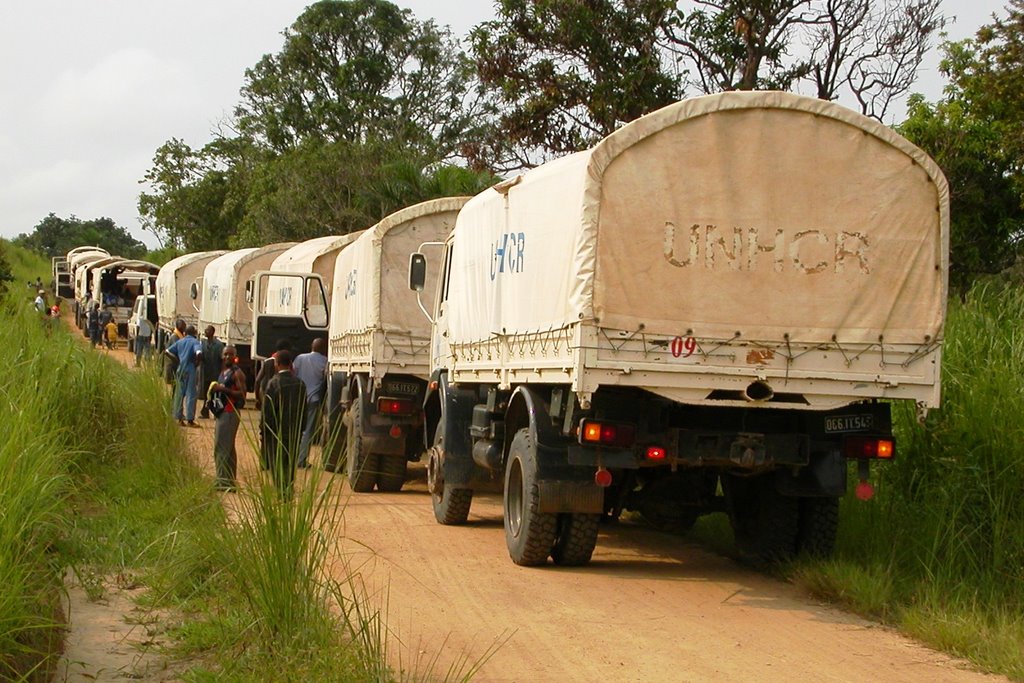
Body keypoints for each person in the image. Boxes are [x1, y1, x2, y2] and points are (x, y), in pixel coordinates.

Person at [261, 349, 306, 498]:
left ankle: (281, 491)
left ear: (277, 364)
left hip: (276, 432)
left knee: (277, 461)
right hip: (294, 431)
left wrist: (264, 430)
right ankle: (289, 488)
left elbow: (267, 410)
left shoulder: (273, 383)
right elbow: (304, 409)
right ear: (291, 364)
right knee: (290, 461)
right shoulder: (300, 384)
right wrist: (301, 429)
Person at [211, 345, 247, 491]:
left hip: (230, 413)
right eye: (225, 354)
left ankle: (222, 481)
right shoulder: (224, 371)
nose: (227, 357)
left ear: (235, 356)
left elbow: (242, 394)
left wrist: (222, 389)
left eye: (230, 355)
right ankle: (229, 481)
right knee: (228, 448)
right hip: (223, 412)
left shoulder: (237, 374)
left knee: (221, 448)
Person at [293, 337, 327, 469]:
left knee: (296, 429)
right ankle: (301, 460)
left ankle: (292, 457)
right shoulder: (325, 361)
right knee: (308, 430)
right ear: (323, 349)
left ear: (311, 347)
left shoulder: (300, 358)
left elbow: (293, 373)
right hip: (313, 400)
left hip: (299, 398)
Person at [165, 325, 203, 426]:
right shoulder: (195, 342)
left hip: (180, 368)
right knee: (191, 394)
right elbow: (199, 353)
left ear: (185, 333)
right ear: (194, 333)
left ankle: (179, 418)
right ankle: (190, 420)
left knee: (179, 393)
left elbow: (167, 351)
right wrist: (196, 363)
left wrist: (177, 360)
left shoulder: (180, 341)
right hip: (190, 368)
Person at [198, 326, 225, 419]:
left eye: (208, 330)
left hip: (215, 373)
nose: (206, 331)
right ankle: (205, 411)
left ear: (213, 332)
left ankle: (216, 412)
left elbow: (222, 360)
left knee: (215, 394)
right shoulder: (203, 343)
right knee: (206, 393)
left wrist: (222, 373)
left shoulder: (219, 345)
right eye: (205, 330)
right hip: (206, 373)